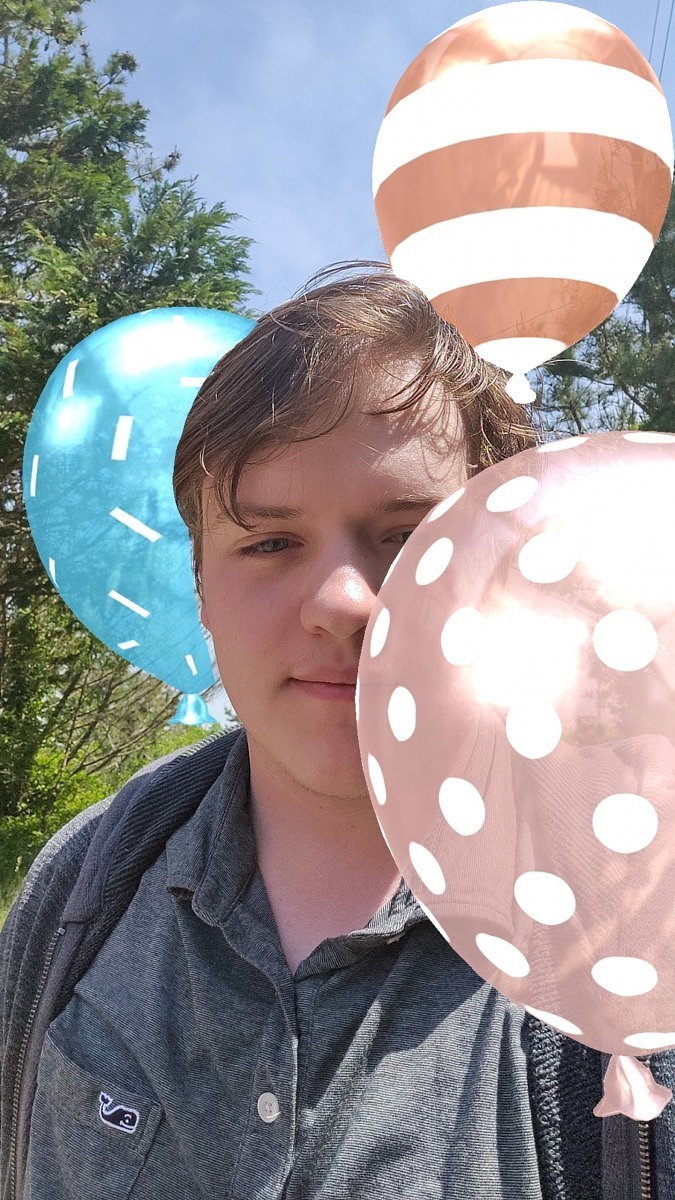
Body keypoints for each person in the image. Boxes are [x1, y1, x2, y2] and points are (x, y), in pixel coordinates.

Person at [1, 264, 665, 1200]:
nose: (343, 602)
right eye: (269, 542)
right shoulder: (85, 882)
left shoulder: (633, 933)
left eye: (408, 534)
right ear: (200, 588)